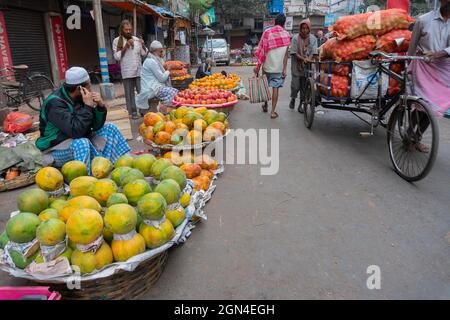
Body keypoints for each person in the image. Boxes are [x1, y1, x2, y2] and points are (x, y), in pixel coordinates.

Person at [35, 67, 130, 173]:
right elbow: (76, 132)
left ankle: (114, 167)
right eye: (89, 84)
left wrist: (100, 106)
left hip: (74, 138)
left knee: (110, 128)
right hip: (55, 148)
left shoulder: (79, 98)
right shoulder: (55, 104)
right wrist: (88, 107)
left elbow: (95, 126)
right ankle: (87, 179)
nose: (91, 87)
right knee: (81, 143)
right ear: (79, 88)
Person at [254, 14, 291, 119]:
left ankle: (265, 105)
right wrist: (284, 69)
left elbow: (261, 51)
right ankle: (273, 112)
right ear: (284, 23)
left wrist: (258, 66)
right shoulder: (287, 35)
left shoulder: (267, 33)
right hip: (278, 68)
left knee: (265, 87)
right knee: (275, 88)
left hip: (267, 65)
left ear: (275, 21)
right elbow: (286, 55)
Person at [113, 20, 148, 119]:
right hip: (127, 71)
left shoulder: (136, 39)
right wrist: (126, 46)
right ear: (122, 30)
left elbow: (144, 53)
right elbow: (117, 56)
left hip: (138, 70)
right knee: (129, 93)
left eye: (130, 29)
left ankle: (143, 111)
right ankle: (132, 112)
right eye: (126, 29)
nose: (128, 31)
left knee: (142, 91)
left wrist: (143, 44)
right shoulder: (118, 41)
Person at [136, 41, 179, 111]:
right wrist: (168, 70)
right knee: (174, 93)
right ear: (155, 52)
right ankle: (163, 109)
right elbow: (162, 79)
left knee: (175, 91)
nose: (162, 53)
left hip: (154, 86)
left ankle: (165, 108)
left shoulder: (153, 60)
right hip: (151, 89)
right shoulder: (151, 61)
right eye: (160, 52)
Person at [289, 19, 318, 112]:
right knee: (295, 86)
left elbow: (314, 52)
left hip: (307, 66)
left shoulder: (313, 38)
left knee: (304, 87)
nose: (304, 30)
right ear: (300, 29)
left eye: (306, 28)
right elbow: (293, 52)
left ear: (309, 29)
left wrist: (309, 59)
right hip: (296, 66)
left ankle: (301, 104)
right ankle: (293, 98)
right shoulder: (295, 38)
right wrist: (303, 59)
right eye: (303, 28)